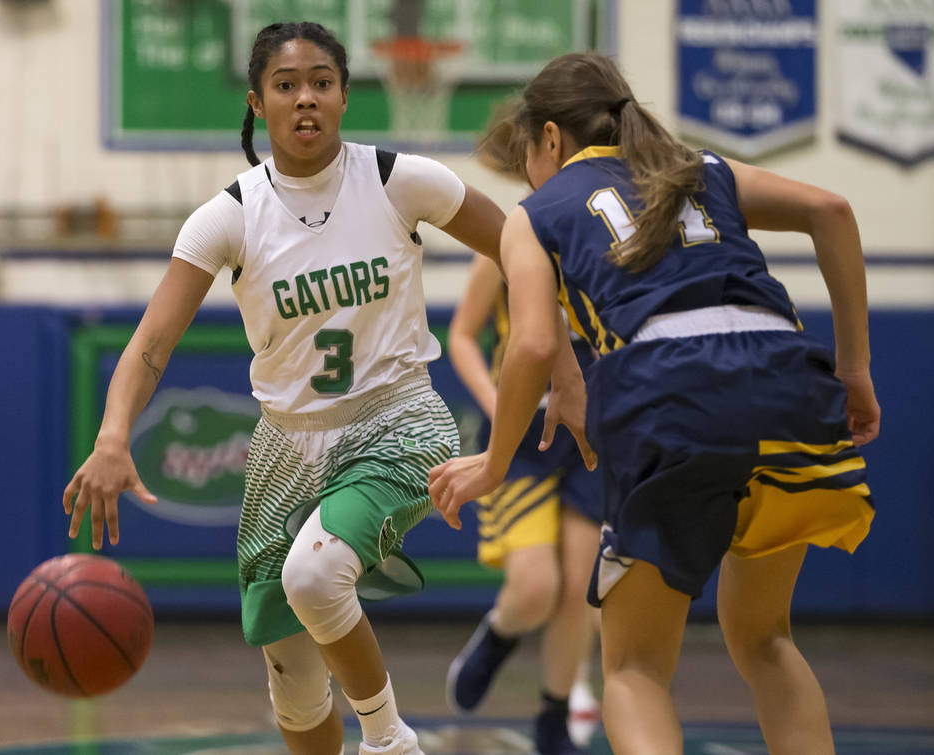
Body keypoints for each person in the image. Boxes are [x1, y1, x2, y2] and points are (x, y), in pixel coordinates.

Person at [62, 21, 510, 755]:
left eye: (322, 83)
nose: (306, 98)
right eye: (286, 84)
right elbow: (149, 345)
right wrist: (113, 436)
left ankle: (391, 740)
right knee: (295, 682)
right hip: (287, 444)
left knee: (315, 574)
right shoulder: (230, 214)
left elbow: (521, 246)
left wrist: (558, 345)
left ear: (342, 96)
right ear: (257, 102)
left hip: (395, 417)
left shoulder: (402, 178)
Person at [428, 52, 879, 755]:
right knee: (765, 637)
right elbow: (832, 210)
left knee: (635, 668)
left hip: (671, 392)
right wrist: (854, 366)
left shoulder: (536, 211)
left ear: (550, 139)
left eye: (528, 156)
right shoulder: (701, 168)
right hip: (792, 381)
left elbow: (533, 344)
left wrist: (492, 459)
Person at [444, 253, 602, 754]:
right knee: (536, 588)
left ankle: (553, 718)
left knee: (581, 588)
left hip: (590, 433)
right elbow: (462, 335)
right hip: (522, 440)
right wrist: (500, 406)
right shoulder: (508, 237)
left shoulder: (613, 234)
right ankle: (498, 635)